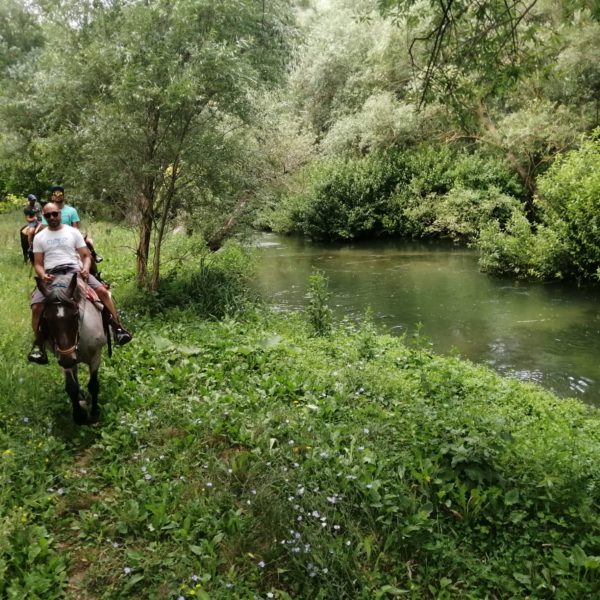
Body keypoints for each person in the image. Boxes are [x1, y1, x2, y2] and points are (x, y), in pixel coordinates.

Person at [28, 202, 132, 364]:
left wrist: (85, 268)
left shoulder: (73, 232)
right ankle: (39, 345)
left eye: (55, 214)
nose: (52, 218)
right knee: (36, 307)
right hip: (51, 276)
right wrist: (42, 275)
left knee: (103, 293)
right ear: (44, 216)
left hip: (74, 272)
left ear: (60, 214)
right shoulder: (39, 237)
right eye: (48, 215)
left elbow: (85, 255)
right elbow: (38, 263)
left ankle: (118, 328)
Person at [42, 185, 103, 263]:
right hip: (51, 236)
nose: (58, 196)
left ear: (63, 196)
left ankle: (94, 257)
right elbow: (44, 227)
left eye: (60, 194)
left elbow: (75, 228)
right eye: (55, 194)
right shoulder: (46, 211)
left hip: (69, 235)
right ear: (52, 197)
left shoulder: (72, 211)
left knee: (88, 243)